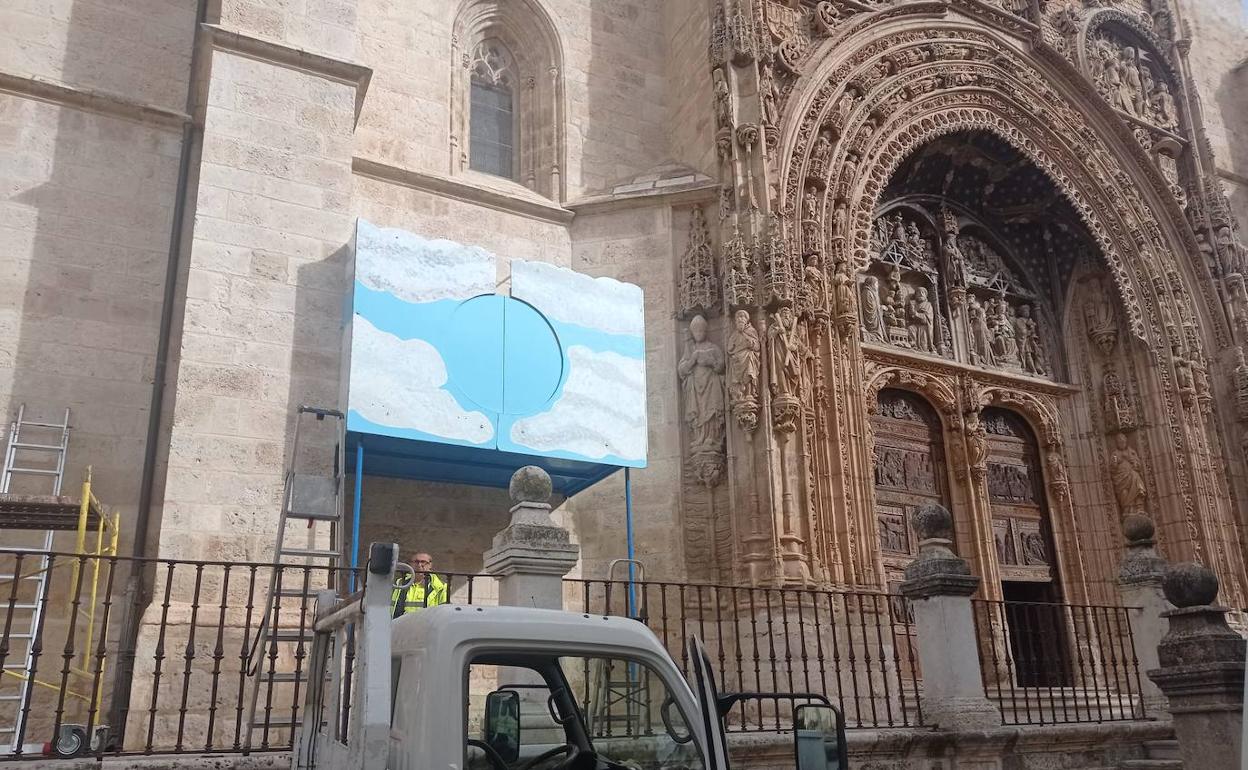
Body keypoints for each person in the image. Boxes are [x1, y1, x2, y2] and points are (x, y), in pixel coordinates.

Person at [391, 551, 448, 617]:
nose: (419, 565)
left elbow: (444, 613)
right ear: (410, 564)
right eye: (416, 562)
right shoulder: (399, 583)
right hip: (398, 624)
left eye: (423, 562)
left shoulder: (441, 587)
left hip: (426, 626)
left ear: (430, 565)